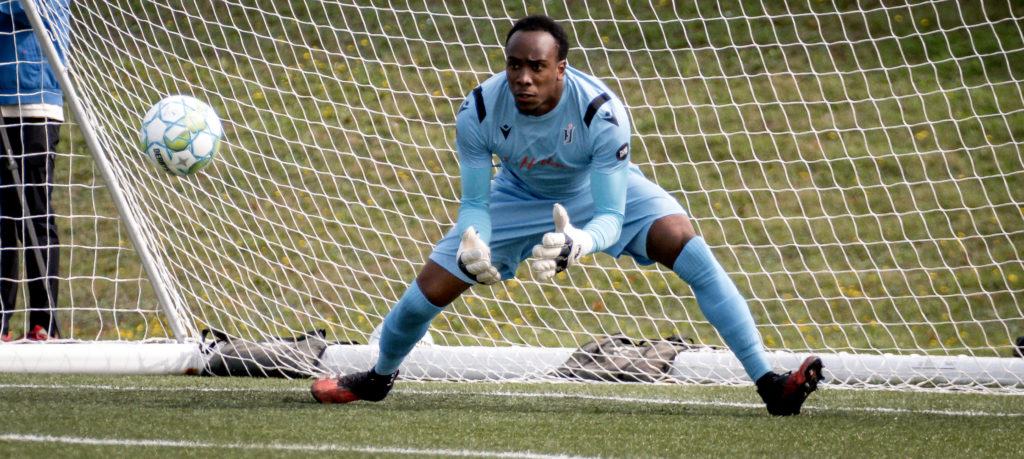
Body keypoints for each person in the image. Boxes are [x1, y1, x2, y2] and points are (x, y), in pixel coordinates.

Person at [312, 15, 823, 415]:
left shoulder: (602, 114)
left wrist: (578, 242)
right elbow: (475, 202)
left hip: (592, 193)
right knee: (429, 289)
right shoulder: (480, 110)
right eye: (515, 65)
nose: (524, 78)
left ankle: (770, 384)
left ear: (562, 69)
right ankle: (379, 377)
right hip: (512, 196)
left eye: (537, 67)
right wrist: (474, 243)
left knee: (683, 241)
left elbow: (610, 212)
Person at [0, 0, 69, 341]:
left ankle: (44, 324)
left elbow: (27, 9)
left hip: (35, 98)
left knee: (35, 215)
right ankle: (1, 322)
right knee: (3, 220)